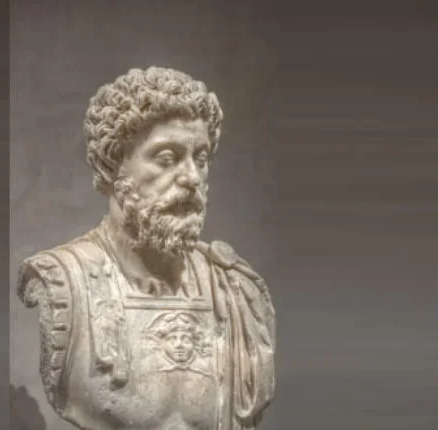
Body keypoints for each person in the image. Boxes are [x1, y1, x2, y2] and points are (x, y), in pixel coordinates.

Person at [19, 66, 276, 430]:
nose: (192, 177)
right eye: (167, 158)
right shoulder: (65, 282)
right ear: (112, 166)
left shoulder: (236, 291)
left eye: (201, 159)